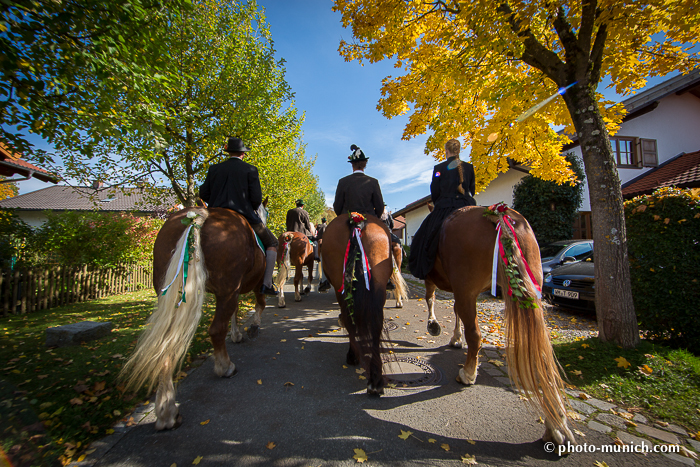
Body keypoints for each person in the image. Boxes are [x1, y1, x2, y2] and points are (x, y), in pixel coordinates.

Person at [199, 137, 279, 296]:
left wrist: (216, 203)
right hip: (244, 215)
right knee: (272, 242)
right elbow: (257, 198)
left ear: (228, 152)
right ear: (243, 153)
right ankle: (267, 284)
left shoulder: (214, 168)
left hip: (214, 214)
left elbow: (203, 193)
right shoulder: (250, 170)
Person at [408, 138, 476, 280]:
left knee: (423, 236)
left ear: (446, 151)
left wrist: (439, 201)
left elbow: (435, 191)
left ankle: (425, 271)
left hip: (444, 206)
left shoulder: (438, 169)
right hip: (467, 204)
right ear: (459, 150)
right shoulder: (469, 167)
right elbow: (472, 190)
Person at [320, 144, 385, 292]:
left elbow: (337, 206)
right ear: (365, 164)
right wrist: (374, 219)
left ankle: (325, 279)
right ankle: (389, 277)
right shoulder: (373, 182)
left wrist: (344, 218)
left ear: (352, 165)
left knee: (325, 247)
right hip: (369, 219)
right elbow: (380, 206)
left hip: (346, 220)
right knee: (392, 244)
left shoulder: (343, 182)